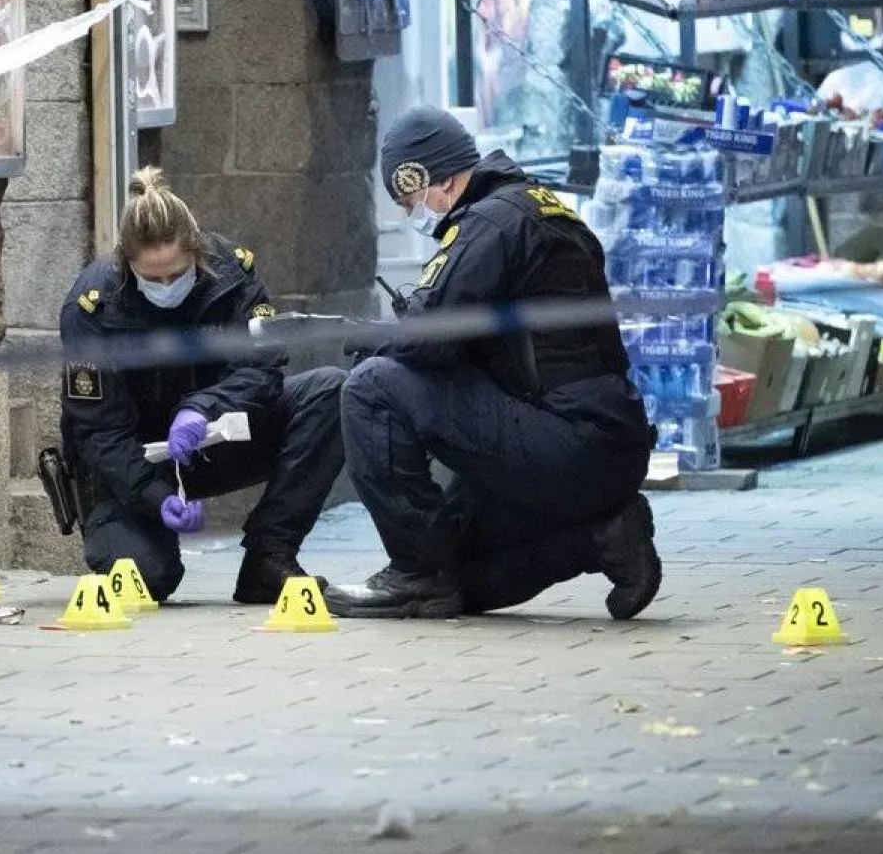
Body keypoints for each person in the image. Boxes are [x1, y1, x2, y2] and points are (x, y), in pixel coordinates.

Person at [325, 105, 661, 621]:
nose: (411, 215)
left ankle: (414, 571)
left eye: (410, 200)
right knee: (459, 580)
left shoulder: (489, 223)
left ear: (435, 178)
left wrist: (372, 341)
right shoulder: (538, 208)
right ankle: (602, 537)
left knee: (372, 386)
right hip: (598, 447)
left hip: (564, 438)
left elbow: (429, 338)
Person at [58, 167, 347, 605]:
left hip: (210, 440)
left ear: (197, 251)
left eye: (176, 274)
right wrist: (155, 497)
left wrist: (203, 409)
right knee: (148, 580)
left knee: (331, 392)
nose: (166, 286)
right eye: (151, 279)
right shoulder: (91, 309)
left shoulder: (233, 274)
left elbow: (263, 367)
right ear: (126, 263)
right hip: (133, 464)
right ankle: (142, 533)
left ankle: (269, 557)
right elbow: (98, 432)